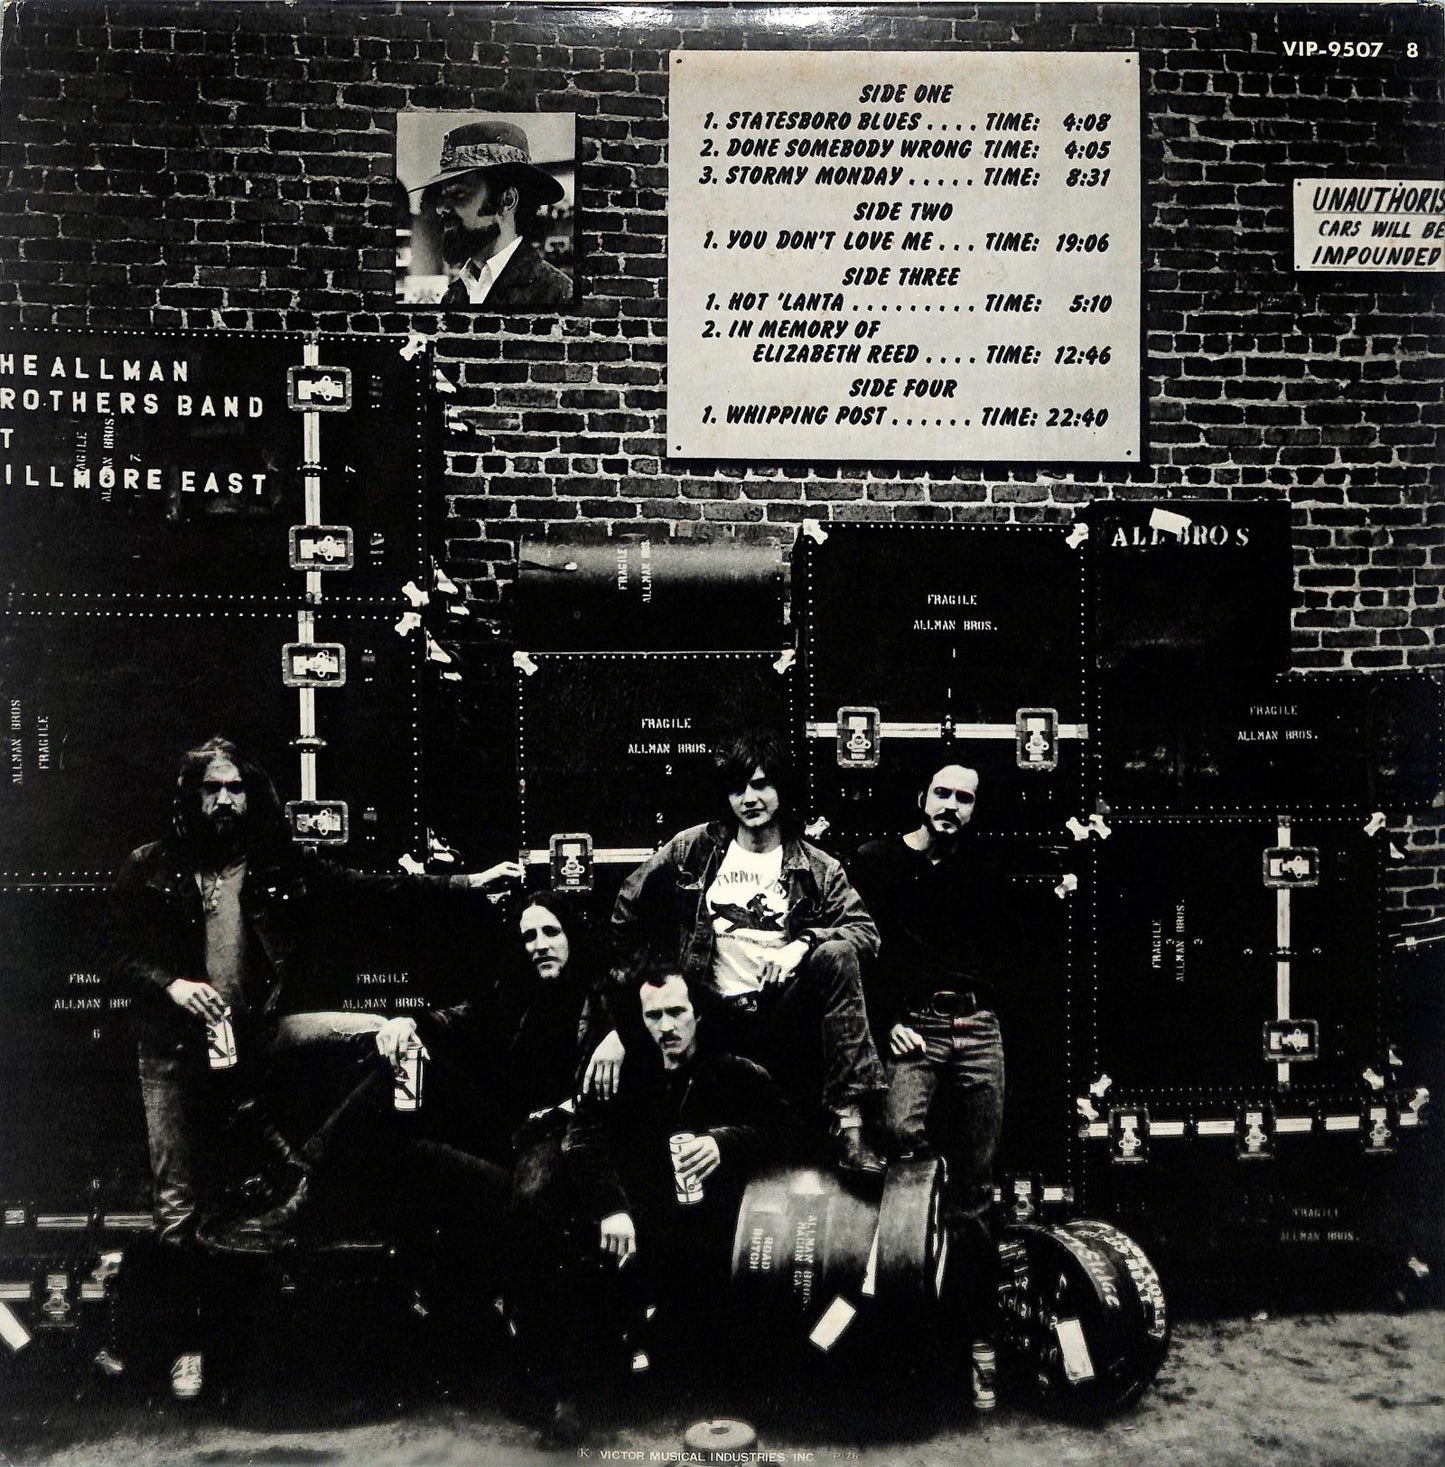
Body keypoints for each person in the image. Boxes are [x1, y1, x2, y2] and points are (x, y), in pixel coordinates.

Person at [103, 736, 519, 1397]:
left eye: (234, 788)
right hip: (174, 1050)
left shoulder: (275, 863)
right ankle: (190, 1346)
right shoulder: (148, 866)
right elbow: (115, 955)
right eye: (211, 788)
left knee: (379, 1033)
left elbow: (370, 889)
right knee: (178, 1202)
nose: (224, 800)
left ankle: (310, 1174)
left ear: (251, 794)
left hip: (258, 1036)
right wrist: (172, 986)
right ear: (190, 794)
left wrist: (467, 884)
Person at [519, 963, 796, 1446]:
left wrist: (726, 1143)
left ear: (698, 1014)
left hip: (715, 1237)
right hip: (641, 1225)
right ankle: (577, 1395)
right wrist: (612, 1208)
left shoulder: (734, 1071)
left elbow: (792, 1136)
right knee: (582, 1268)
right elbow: (582, 1138)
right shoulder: (623, 1072)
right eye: (653, 1016)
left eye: (677, 1012)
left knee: (714, 1369)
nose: (667, 1026)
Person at [602, 732, 887, 1176]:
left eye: (761, 785)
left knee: (837, 954)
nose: (749, 799)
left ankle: (850, 1126)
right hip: (713, 1016)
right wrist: (630, 1014)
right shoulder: (693, 848)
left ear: (781, 789)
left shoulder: (818, 867)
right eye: (738, 788)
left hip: (781, 1012)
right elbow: (627, 908)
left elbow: (865, 934)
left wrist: (803, 943)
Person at [849, 757, 1017, 1348]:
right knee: (900, 1140)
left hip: (978, 1027)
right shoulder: (877, 862)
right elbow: (860, 954)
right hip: (915, 1025)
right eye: (942, 793)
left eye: (964, 799)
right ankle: (904, 1312)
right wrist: (886, 1023)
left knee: (977, 1180)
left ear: (975, 809)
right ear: (922, 797)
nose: (951, 806)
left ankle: (972, 1329)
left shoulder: (985, 867)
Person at [413, 119, 574, 310]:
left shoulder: (558, 295)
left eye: (458, 194)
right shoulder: (453, 296)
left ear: (507, 200)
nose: (441, 209)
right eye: (443, 197)